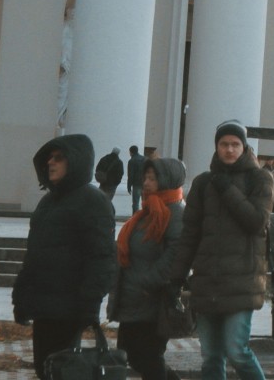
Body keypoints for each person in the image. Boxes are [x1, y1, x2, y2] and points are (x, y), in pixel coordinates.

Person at [174, 121, 274, 380]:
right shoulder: (203, 183)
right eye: (224, 144)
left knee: (236, 351)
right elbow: (190, 234)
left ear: (244, 147)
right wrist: (177, 275)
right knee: (211, 355)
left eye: (235, 144)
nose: (229, 149)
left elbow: (256, 222)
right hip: (208, 281)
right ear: (216, 147)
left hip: (243, 281)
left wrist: (227, 188)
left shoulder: (260, 178)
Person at [11, 134, 117, 377]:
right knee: (45, 370)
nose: (51, 162)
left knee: (64, 372)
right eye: (49, 158)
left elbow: (101, 258)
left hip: (71, 309)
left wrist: (91, 304)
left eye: (59, 158)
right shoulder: (48, 202)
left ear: (76, 162)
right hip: (44, 308)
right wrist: (22, 297)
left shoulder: (93, 201)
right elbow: (35, 255)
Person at [111, 155, 187, 380]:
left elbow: (176, 253)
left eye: (153, 178)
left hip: (152, 299)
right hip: (133, 298)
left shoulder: (175, 212)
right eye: (145, 178)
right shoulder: (147, 210)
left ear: (167, 180)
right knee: (134, 356)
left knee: (148, 357)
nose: (145, 183)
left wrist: (148, 283)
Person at [125, 147, 146, 213]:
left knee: (135, 203)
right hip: (145, 183)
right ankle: (146, 216)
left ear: (131, 152)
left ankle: (135, 216)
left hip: (136, 184)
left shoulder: (132, 161)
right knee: (145, 202)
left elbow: (130, 175)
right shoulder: (145, 159)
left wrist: (129, 186)